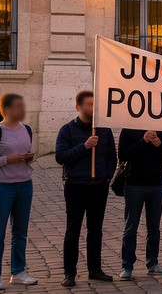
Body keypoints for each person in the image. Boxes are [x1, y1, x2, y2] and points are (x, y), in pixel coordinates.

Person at [53, 90, 117, 288]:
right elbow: (61, 157)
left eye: (94, 104)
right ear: (78, 107)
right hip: (75, 185)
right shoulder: (67, 130)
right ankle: (69, 273)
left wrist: (106, 177)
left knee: (95, 230)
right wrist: (85, 146)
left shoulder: (104, 130)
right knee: (73, 229)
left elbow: (112, 157)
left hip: (99, 186)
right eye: (89, 104)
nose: (93, 108)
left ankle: (95, 269)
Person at [0, 93, 37, 290]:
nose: (23, 109)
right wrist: (8, 160)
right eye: (19, 106)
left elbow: (24, 154)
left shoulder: (26, 129)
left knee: (20, 231)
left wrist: (27, 158)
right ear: (8, 109)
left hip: (25, 184)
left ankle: (18, 271)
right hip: (1, 186)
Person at [117, 124, 162, 281]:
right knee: (131, 226)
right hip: (134, 183)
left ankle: (153, 263)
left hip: (156, 184)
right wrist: (143, 141)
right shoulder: (128, 128)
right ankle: (127, 265)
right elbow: (122, 154)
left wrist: (159, 145)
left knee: (154, 227)